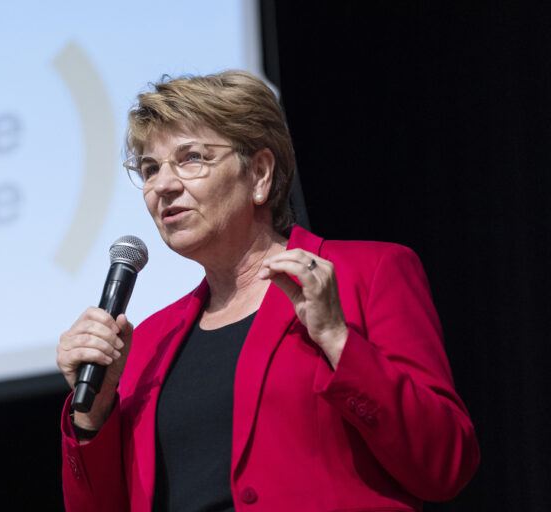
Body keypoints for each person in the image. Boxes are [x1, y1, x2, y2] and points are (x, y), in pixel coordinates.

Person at [56, 70, 479, 511]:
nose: (163, 184)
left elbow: (446, 464)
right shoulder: (147, 344)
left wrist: (338, 339)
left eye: (191, 158)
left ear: (258, 173)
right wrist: (94, 413)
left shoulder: (367, 274)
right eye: (150, 168)